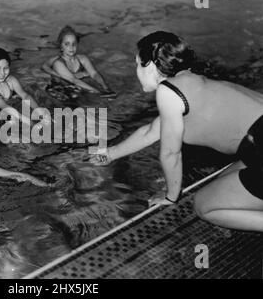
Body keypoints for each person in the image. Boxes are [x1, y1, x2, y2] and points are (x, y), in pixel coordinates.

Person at [91, 31, 263, 232]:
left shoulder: (168, 91)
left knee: (204, 206)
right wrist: (109, 154)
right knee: (222, 183)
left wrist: (170, 196)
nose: (136, 70)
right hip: (257, 146)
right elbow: (150, 132)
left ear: (151, 65)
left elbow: (171, 153)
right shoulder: (189, 82)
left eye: (138, 64)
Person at [0, 47, 49, 130]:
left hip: (10, 108)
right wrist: (28, 122)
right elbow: (4, 106)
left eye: (6, 68)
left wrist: (41, 113)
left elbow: (25, 96)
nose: (2, 73)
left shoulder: (11, 80)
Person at [42, 25, 115, 96]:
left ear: (77, 44)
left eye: (74, 43)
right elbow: (74, 80)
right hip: (59, 93)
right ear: (61, 46)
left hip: (76, 89)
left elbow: (94, 74)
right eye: (67, 44)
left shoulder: (83, 59)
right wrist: (98, 92)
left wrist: (106, 87)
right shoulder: (58, 63)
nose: (71, 47)